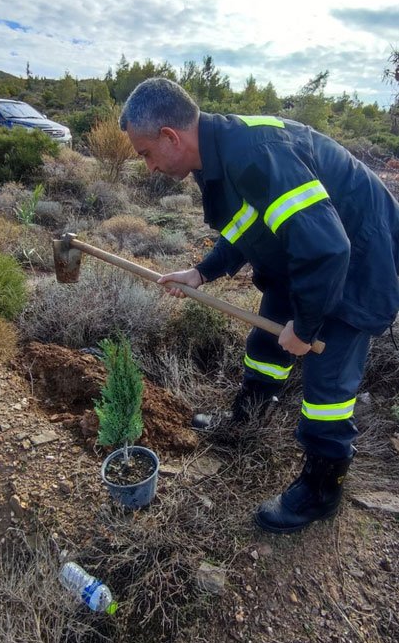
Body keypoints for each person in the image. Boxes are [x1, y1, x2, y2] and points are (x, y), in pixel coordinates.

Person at [120, 78, 399, 534]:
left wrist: (306, 330)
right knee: (267, 336)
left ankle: (322, 488)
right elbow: (251, 221)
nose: (148, 166)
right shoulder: (222, 151)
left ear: (171, 137)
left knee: (327, 386)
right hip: (305, 255)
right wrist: (203, 271)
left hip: (358, 261)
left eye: (146, 153)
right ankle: (249, 413)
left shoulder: (252, 152)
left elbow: (330, 250)